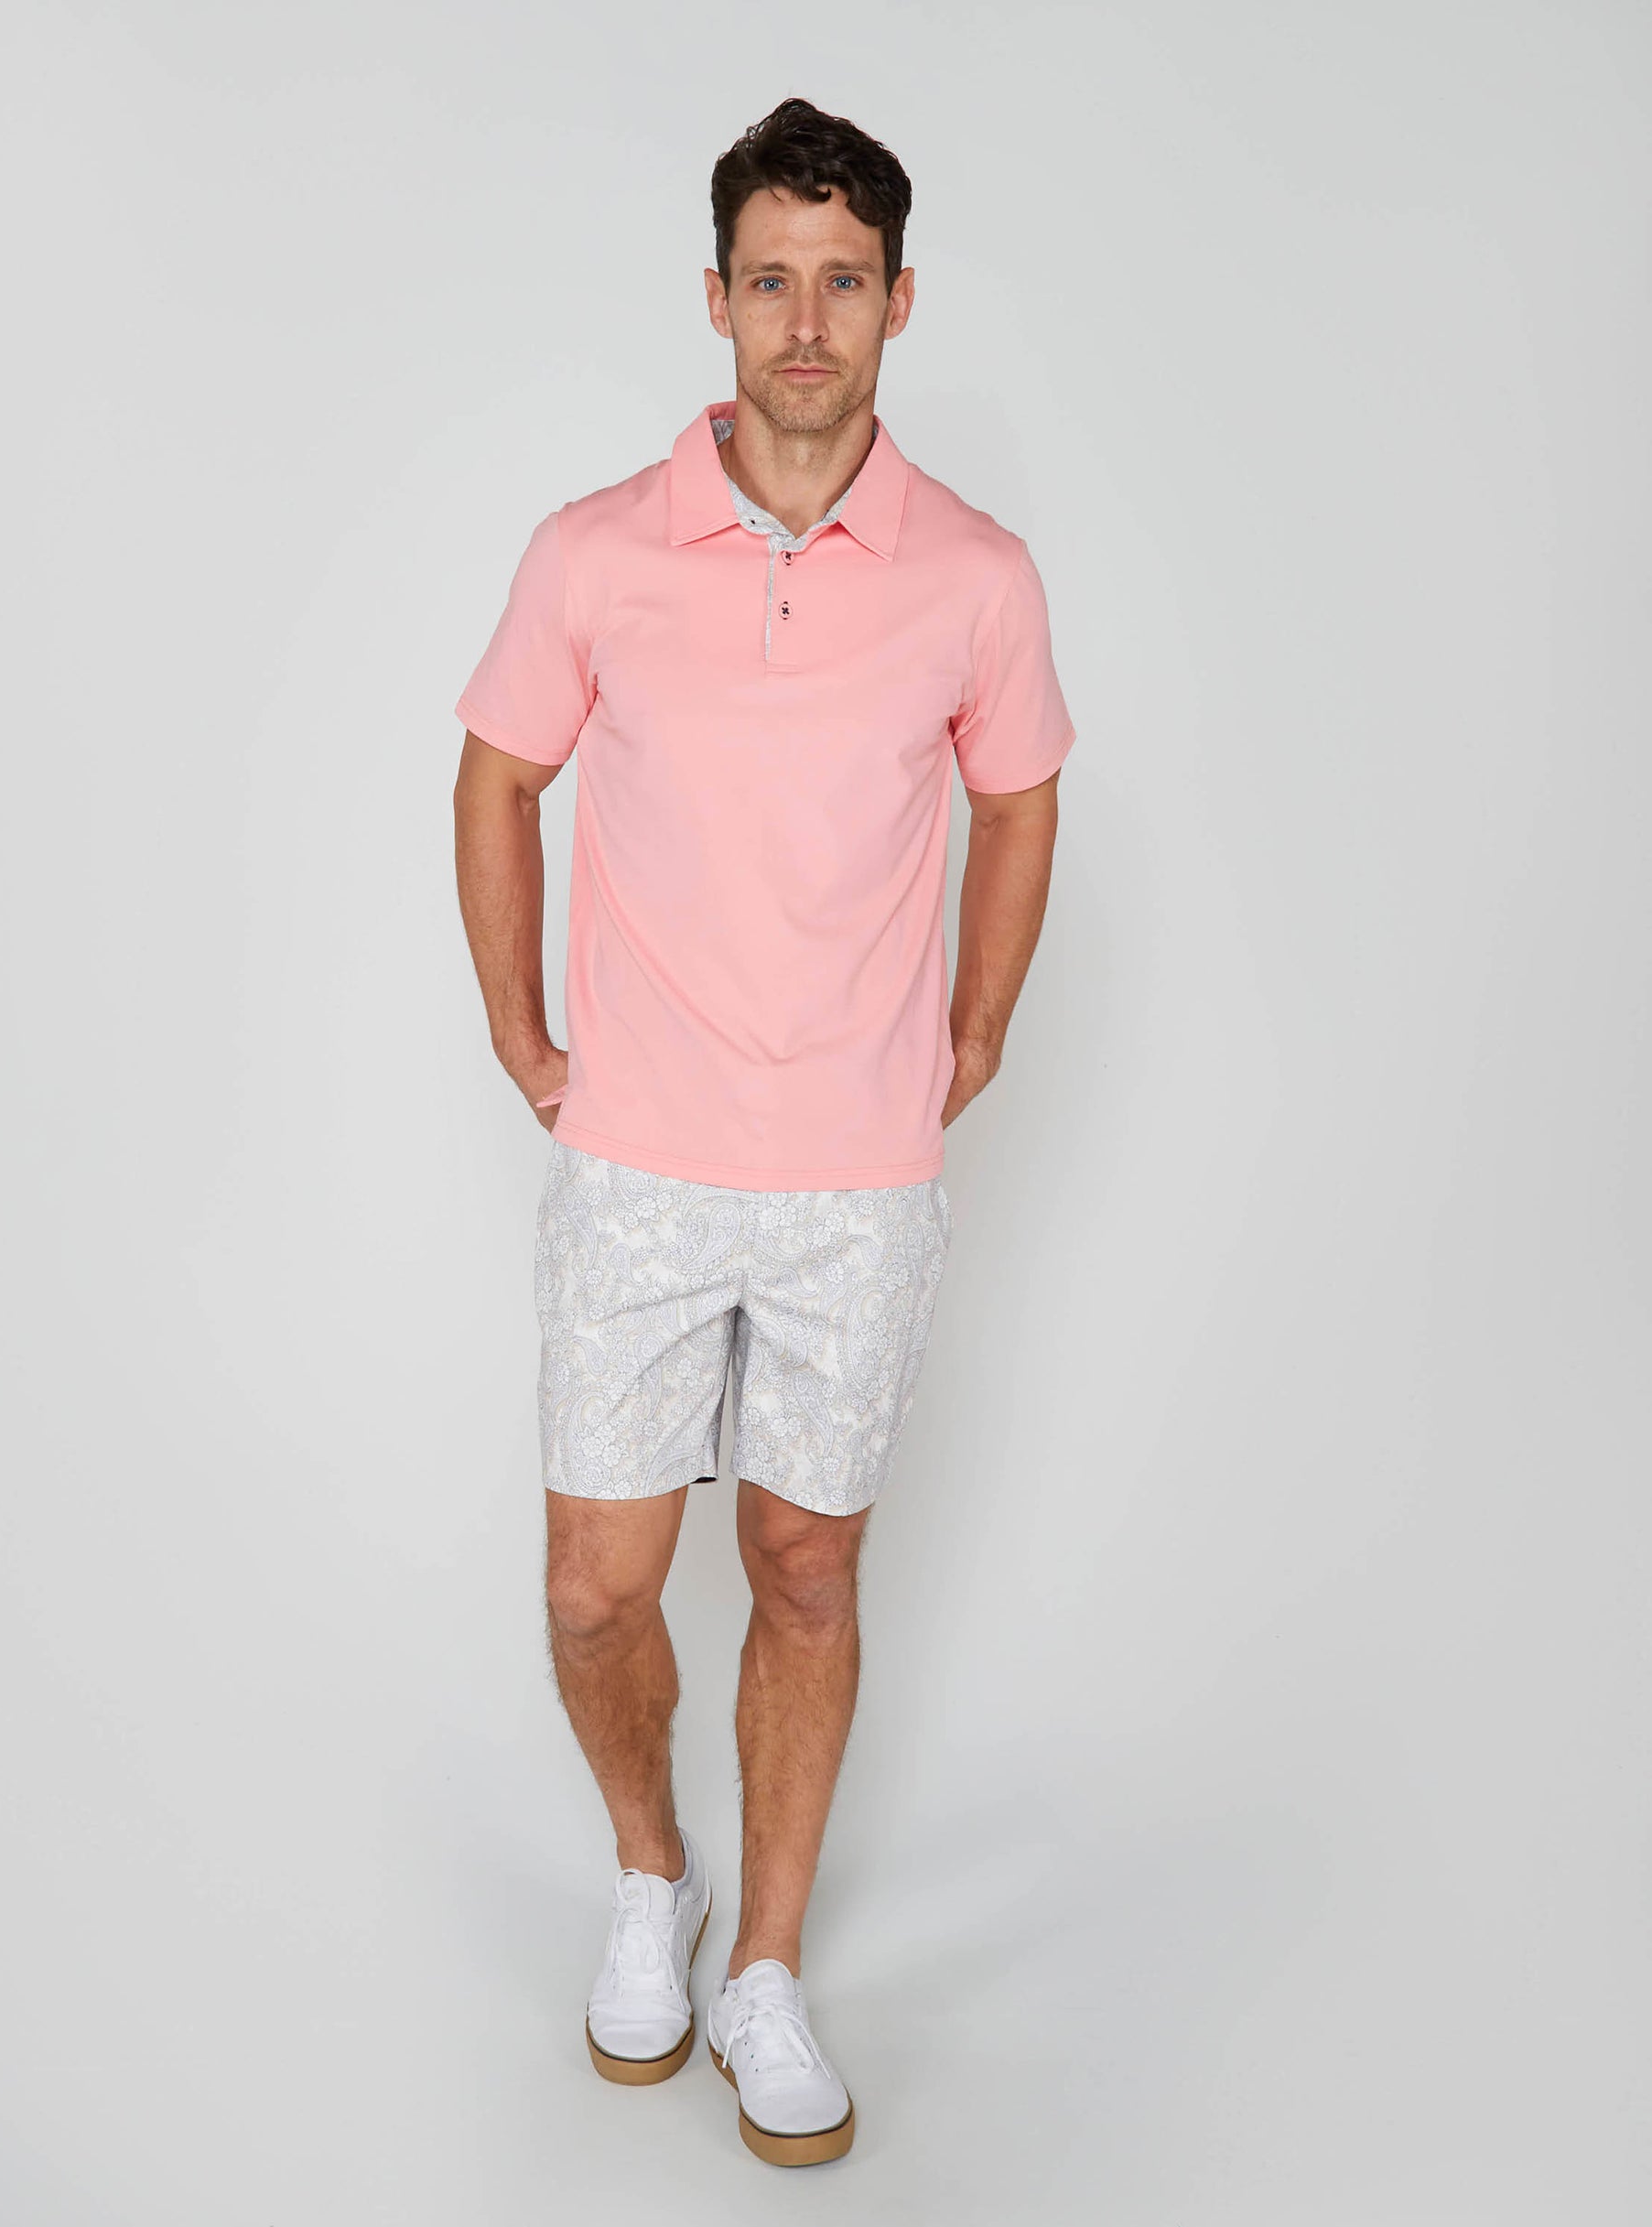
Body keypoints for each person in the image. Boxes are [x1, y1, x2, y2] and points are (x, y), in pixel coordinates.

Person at [450, 94, 1076, 2169]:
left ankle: (769, 1967)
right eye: (771, 280)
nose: (806, 322)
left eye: (843, 282)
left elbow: (1017, 797)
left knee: (804, 1563)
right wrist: (524, 1036)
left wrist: (974, 1027)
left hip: (854, 1180)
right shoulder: (594, 551)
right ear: (714, 299)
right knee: (591, 1584)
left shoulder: (976, 575)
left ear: (899, 302)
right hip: (638, 1157)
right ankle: (655, 1873)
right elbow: (496, 773)